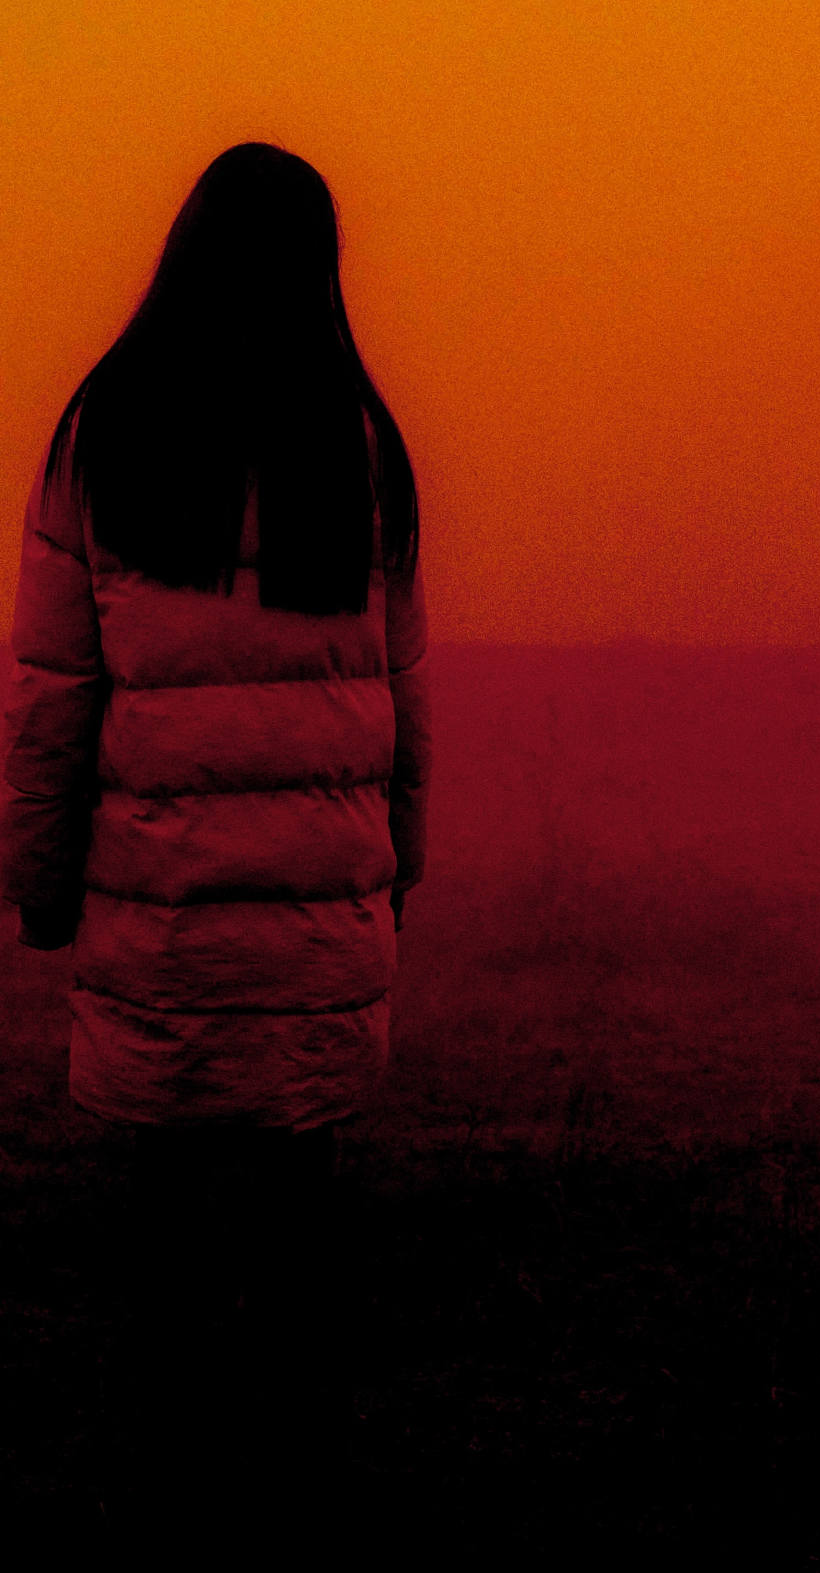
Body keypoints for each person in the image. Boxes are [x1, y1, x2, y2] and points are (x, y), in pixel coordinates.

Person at [0, 142, 429, 1505]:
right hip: (318, 923)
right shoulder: (359, 445)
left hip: (164, 919)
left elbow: (52, 698)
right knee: (300, 1241)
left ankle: (170, 1480)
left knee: (165, 1244)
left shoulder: (104, 429)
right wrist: (392, 872)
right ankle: (294, 1479)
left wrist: (42, 881)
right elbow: (405, 695)